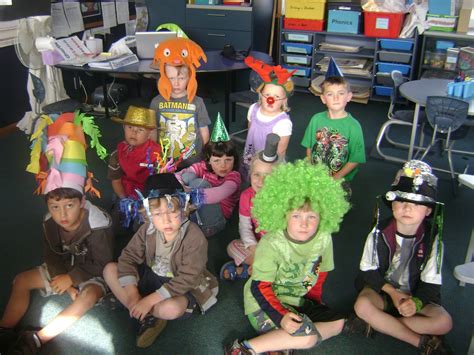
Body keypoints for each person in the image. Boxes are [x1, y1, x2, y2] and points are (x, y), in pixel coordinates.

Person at [0, 112, 113, 354]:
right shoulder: (50, 222)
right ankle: (4, 331)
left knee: (88, 296)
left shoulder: (97, 223)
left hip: (92, 271)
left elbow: (102, 262)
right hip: (64, 268)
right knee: (21, 280)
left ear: (81, 202)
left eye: (69, 206)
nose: (62, 214)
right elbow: (51, 254)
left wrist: (73, 279)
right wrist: (63, 278)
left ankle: (37, 339)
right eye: (55, 207)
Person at [225, 160, 350, 354]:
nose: (304, 224)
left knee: (339, 322)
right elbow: (260, 287)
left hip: (296, 299)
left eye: (312, 217)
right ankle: (244, 348)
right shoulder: (271, 243)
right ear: (284, 214)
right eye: (296, 216)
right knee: (307, 337)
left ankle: (284, 342)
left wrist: (314, 305)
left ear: (323, 216)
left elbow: (320, 274)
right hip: (264, 301)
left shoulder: (324, 239)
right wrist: (282, 316)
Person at [103, 173, 218, 349]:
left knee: (171, 309)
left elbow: (188, 278)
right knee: (110, 270)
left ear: (184, 208)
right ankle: (144, 312)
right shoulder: (147, 229)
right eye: (157, 214)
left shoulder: (195, 237)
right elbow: (128, 257)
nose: (166, 220)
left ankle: (139, 309)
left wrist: (149, 301)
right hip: (151, 276)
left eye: (172, 211)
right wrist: (133, 294)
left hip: (180, 287)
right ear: (148, 214)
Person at [353, 160, 452, 354]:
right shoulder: (378, 232)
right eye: (402, 202)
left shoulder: (434, 241)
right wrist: (393, 293)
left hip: (414, 299)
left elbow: (431, 285)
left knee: (444, 322)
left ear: (428, 210)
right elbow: (368, 272)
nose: (407, 209)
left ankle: (381, 323)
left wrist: (415, 303)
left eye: (416, 204)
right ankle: (419, 342)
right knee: (363, 305)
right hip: (383, 293)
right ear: (392, 204)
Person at [220, 133, 280, 281]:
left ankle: (250, 271)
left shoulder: (282, 199)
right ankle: (263, 271)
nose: (261, 181)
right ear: (250, 175)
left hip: (278, 248)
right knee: (232, 247)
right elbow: (245, 227)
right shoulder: (247, 196)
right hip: (258, 247)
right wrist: (254, 247)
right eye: (256, 175)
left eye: (268, 176)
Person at [175, 114, 241, 237]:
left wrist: (187, 194)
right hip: (198, 209)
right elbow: (179, 174)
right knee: (187, 176)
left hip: (215, 221)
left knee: (198, 183)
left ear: (234, 160)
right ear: (209, 160)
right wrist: (180, 185)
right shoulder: (203, 166)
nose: (223, 165)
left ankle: (193, 224)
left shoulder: (234, 176)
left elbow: (218, 194)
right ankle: (188, 218)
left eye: (228, 160)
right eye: (217, 160)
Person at [150, 38, 211, 169]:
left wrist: (206, 152)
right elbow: (153, 129)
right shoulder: (156, 102)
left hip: (192, 160)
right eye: (171, 78)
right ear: (164, 77)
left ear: (190, 77)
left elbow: (204, 130)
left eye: (181, 78)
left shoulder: (197, 102)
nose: (176, 83)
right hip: (165, 160)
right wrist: (154, 153)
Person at [301, 73, 365, 191]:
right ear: (323, 99)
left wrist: (335, 178)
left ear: (349, 96)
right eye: (330, 94)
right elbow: (309, 146)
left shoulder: (354, 126)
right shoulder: (316, 119)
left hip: (339, 179)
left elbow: (355, 159)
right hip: (316, 175)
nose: (336, 98)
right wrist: (311, 168)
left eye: (341, 93)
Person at [241, 56, 295, 179]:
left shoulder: (283, 123)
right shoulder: (253, 109)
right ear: (261, 95)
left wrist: (265, 167)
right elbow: (251, 132)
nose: (271, 100)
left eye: (277, 97)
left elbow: (280, 151)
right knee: (251, 180)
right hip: (251, 154)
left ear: (284, 101)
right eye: (267, 95)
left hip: (271, 164)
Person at [108, 106, 163, 200]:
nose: (133, 133)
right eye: (130, 127)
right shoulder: (117, 154)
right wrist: (125, 199)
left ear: (149, 134)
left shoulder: (157, 154)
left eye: (140, 130)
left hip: (151, 195)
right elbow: (116, 181)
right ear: (124, 128)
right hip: (126, 193)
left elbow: (161, 182)